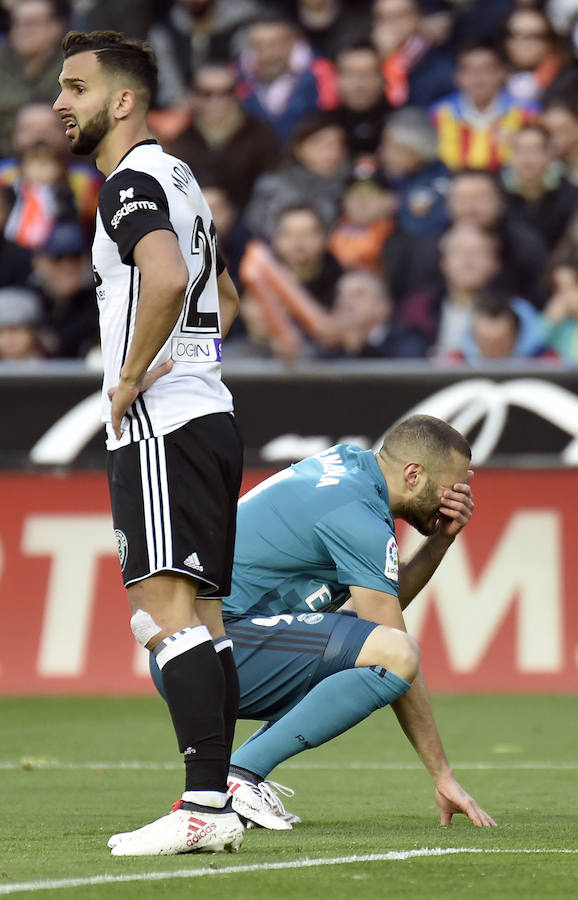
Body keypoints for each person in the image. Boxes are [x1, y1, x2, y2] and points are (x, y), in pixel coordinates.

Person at [53, 30, 245, 856]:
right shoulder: (181, 178)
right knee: (203, 616)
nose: (60, 102)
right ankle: (224, 796)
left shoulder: (129, 184)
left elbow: (166, 279)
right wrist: (182, 357)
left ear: (120, 100)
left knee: (163, 615)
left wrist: (132, 376)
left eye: (76, 87)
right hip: (208, 411)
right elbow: (224, 296)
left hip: (162, 423)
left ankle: (203, 802)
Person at [150, 414, 497, 831]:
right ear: (413, 474)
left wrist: (440, 539)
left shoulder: (351, 470)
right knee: (397, 654)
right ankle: (238, 777)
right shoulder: (358, 513)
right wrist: (442, 775)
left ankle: (236, 775)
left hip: (202, 643)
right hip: (212, 649)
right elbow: (390, 644)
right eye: (452, 487)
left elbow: (377, 609)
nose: (459, 496)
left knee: (371, 643)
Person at [429, 40, 538, 173]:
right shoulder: (439, 114)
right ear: (457, 76)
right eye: (469, 70)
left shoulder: (527, 113)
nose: (477, 78)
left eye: (486, 70)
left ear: (502, 73)